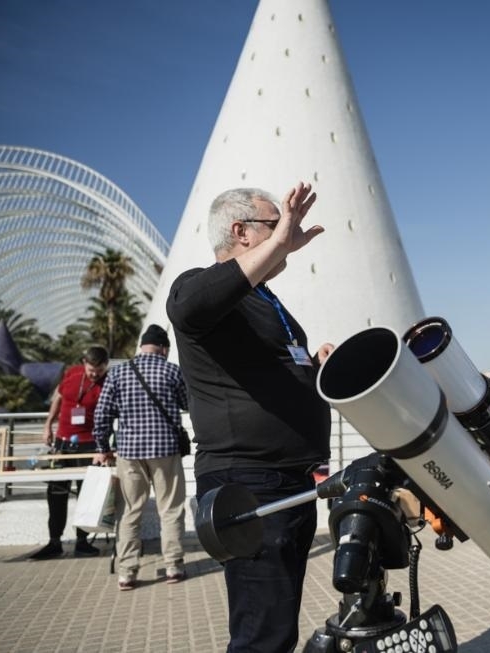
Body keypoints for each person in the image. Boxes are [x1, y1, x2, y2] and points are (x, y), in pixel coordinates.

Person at [166, 181, 332, 652]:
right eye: (275, 224)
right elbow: (188, 308)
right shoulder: (195, 287)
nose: (288, 232)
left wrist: (314, 364)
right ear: (240, 231)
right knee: (262, 635)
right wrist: (282, 242)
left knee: (277, 626)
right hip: (248, 483)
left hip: (288, 481)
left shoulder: (266, 299)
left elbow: (276, 368)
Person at [92, 324, 188, 590]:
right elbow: (188, 403)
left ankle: (127, 572)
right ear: (164, 348)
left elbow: (102, 415)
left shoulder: (118, 372)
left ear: (142, 346)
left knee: (130, 512)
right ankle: (173, 566)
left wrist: (102, 447)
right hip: (166, 450)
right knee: (170, 509)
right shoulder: (171, 371)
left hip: (130, 453)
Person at [27, 345, 109, 560]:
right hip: (63, 442)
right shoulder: (72, 373)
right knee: (56, 492)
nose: (94, 375)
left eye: (99, 371)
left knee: (86, 495)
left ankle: (82, 542)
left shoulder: (108, 382)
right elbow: (58, 398)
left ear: (105, 366)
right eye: (92, 370)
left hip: (89, 444)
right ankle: (54, 542)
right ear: (84, 363)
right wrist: (48, 426)